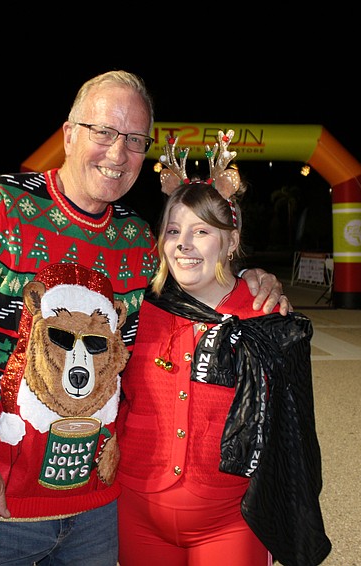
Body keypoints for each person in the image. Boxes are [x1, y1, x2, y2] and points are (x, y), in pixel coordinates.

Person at [0, 71, 291, 565]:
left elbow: (201, 288)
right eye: (104, 133)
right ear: (69, 134)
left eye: (135, 140)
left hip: (96, 511)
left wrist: (253, 280)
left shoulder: (137, 242)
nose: (118, 154)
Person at [116, 131, 331, 565]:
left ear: (231, 242)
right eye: (173, 230)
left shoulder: (269, 321)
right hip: (136, 513)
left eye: (201, 231)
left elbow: (293, 438)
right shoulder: (137, 310)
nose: (183, 243)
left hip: (232, 522)